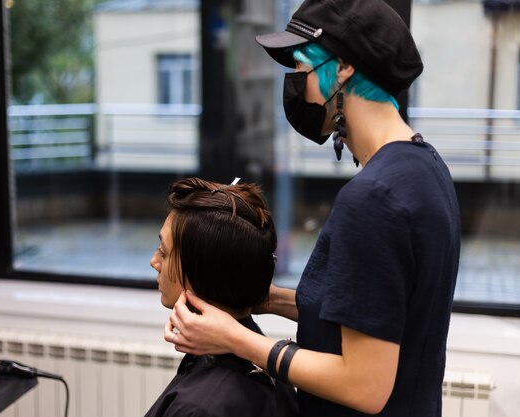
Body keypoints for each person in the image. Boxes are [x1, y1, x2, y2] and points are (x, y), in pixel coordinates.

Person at [164, 1, 461, 416]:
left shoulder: (373, 198)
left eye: (303, 68)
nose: (298, 86)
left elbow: (364, 386)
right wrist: (265, 299)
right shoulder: (425, 168)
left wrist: (235, 339)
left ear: (343, 69)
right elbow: (371, 312)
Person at [145, 177, 298, 417]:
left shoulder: (199, 408)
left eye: (164, 253)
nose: (154, 262)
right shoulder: (276, 375)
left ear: (202, 275)